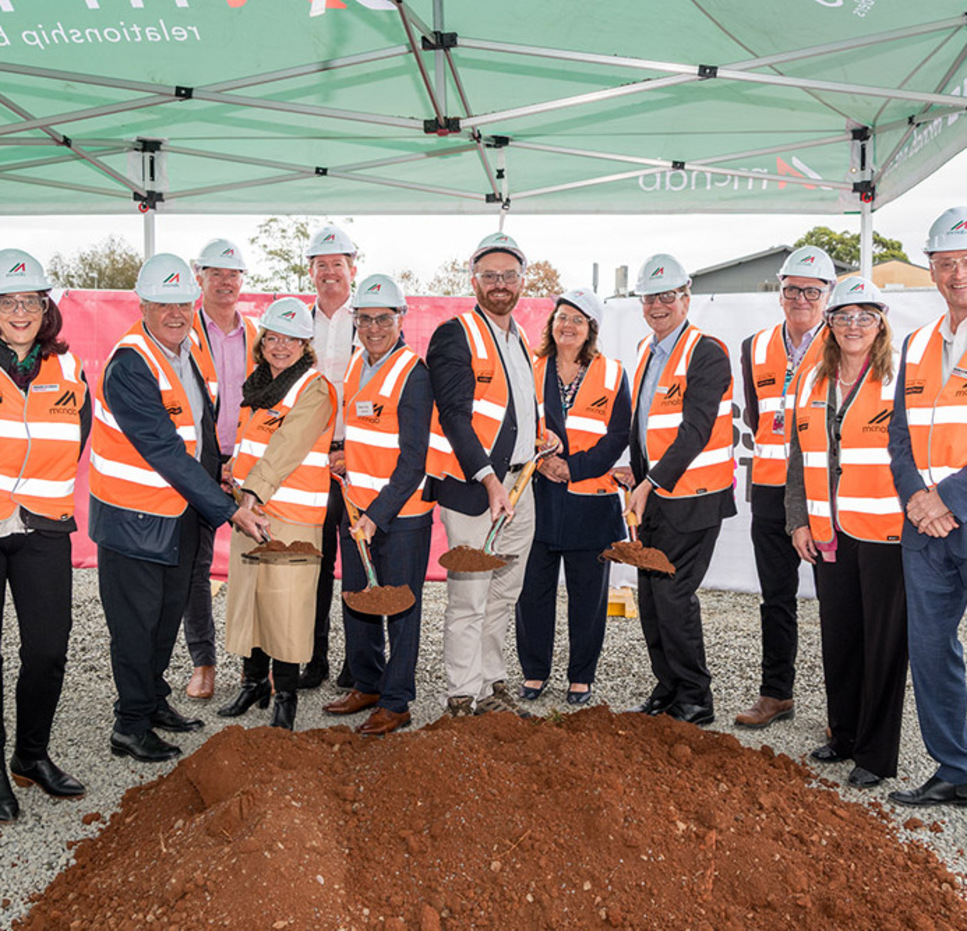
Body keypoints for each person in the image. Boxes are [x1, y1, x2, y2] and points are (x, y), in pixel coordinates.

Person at [89, 254, 268, 764]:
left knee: (167, 614)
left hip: (180, 513)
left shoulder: (191, 350)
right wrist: (229, 509)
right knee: (135, 623)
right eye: (162, 304)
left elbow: (203, 429)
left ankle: (152, 702)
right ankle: (129, 725)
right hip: (134, 519)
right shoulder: (129, 364)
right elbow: (164, 449)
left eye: (182, 303)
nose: (175, 313)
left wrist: (219, 475)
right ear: (141, 304)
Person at [425, 232, 559, 718]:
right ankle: (462, 695)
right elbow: (455, 415)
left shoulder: (518, 336)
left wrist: (541, 437)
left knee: (504, 593)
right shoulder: (455, 334)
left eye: (508, 275)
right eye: (490, 276)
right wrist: (488, 478)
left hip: (521, 486)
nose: (499, 284)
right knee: (469, 597)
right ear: (474, 280)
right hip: (476, 491)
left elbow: (512, 408)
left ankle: (490, 685)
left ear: (522, 281)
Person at [786, 277, 906, 789]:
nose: (853, 325)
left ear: (880, 323)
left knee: (883, 645)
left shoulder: (900, 379)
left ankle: (877, 755)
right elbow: (798, 459)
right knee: (839, 638)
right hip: (829, 534)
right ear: (830, 325)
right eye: (843, 316)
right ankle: (845, 734)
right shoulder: (813, 380)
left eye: (865, 316)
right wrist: (797, 521)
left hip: (886, 535)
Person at [617, 254, 736, 726]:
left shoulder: (707, 352)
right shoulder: (650, 349)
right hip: (655, 497)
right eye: (651, 297)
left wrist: (651, 482)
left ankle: (695, 698)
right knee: (650, 598)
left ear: (686, 298)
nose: (658, 305)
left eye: (668, 296)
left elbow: (696, 429)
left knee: (672, 596)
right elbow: (646, 423)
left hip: (693, 499)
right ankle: (667, 689)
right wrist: (636, 468)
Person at [0, 250, 90, 822]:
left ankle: (30, 755)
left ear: (45, 307)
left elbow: (74, 441)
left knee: (48, 651)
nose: (18, 311)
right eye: (7, 302)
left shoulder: (69, 367)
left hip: (44, 527)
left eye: (29, 300)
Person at [218, 298, 336, 731]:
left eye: (290, 339)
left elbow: (287, 448)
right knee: (251, 598)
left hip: (288, 517)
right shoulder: (258, 387)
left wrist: (250, 496)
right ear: (261, 341)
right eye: (272, 336)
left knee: (285, 607)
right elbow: (250, 444)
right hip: (251, 511)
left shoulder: (315, 388)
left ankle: (285, 695)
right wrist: (233, 476)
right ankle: (254, 684)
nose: (279, 345)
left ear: (306, 344)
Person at [322, 275, 434, 735]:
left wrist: (375, 517)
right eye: (364, 319)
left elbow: (412, 462)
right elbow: (362, 430)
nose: (372, 328)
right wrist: (344, 457)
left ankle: (396, 700)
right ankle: (367, 683)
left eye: (382, 319)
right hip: (358, 509)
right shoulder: (354, 365)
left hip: (400, 516)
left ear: (400, 319)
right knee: (359, 600)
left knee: (401, 607)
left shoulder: (414, 373)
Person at [735, 247, 835, 730]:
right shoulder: (754, 346)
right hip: (771, 489)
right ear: (780, 292)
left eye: (811, 291)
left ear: (828, 295)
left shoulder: (844, 339)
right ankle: (777, 694)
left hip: (827, 493)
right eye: (792, 288)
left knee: (840, 602)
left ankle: (845, 710)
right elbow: (755, 417)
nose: (800, 298)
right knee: (776, 598)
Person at [515, 288, 630, 705]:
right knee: (533, 593)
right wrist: (541, 459)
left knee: (588, 596)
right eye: (561, 317)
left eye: (577, 320)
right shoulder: (530, 367)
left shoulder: (613, 373)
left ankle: (581, 676)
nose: (567, 326)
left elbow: (619, 435)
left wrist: (574, 467)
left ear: (591, 329)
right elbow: (516, 420)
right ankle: (534, 671)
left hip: (591, 502)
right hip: (539, 497)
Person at [888, 206, 967, 807]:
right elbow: (898, 435)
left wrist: (947, 497)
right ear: (932, 270)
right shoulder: (916, 344)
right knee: (932, 649)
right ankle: (956, 767)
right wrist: (919, 496)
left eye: (965, 263)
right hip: (925, 526)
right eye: (945, 264)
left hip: (953, 510)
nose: (957, 274)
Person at [181, 237, 258, 702]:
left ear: (242, 281)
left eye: (233, 274)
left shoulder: (257, 334)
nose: (226, 281)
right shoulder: (184, 331)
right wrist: (215, 460)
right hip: (200, 462)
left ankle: (259, 665)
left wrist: (242, 461)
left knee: (259, 564)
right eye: (216, 273)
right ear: (200, 277)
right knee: (196, 565)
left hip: (250, 460)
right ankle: (203, 662)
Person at [299, 225, 358, 692]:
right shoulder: (297, 324)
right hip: (312, 459)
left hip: (360, 459)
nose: (330, 272)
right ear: (311, 273)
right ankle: (312, 657)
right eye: (322, 265)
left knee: (359, 561)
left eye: (338, 263)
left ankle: (358, 661)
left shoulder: (372, 319)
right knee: (313, 564)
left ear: (352, 269)